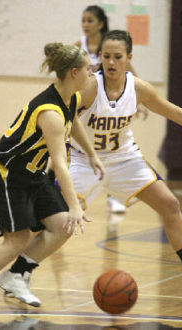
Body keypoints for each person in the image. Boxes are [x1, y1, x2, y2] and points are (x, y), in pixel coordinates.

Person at [68, 30, 182, 295]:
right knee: (59, 223)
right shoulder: (89, 87)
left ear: (128, 57)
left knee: (170, 204)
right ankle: (20, 270)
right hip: (85, 160)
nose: (111, 63)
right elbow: (61, 117)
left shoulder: (138, 87)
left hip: (124, 159)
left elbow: (176, 113)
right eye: (106, 56)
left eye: (118, 57)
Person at [0, 42, 104, 311]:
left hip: (32, 175)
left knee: (63, 225)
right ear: (74, 73)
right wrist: (76, 205)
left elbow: (74, 121)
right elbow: (59, 163)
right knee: (17, 239)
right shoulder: (50, 113)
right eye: (88, 69)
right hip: (6, 174)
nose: (91, 74)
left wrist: (90, 153)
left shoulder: (70, 98)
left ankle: (16, 275)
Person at [74, 5, 148, 213]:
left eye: (90, 20)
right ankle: (56, 194)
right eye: (83, 20)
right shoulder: (80, 46)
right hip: (88, 106)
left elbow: (129, 73)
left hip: (109, 104)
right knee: (68, 152)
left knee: (115, 147)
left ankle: (115, 195)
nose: (85, 25)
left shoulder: (112, 45)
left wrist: (137, 99)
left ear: (100, 23)